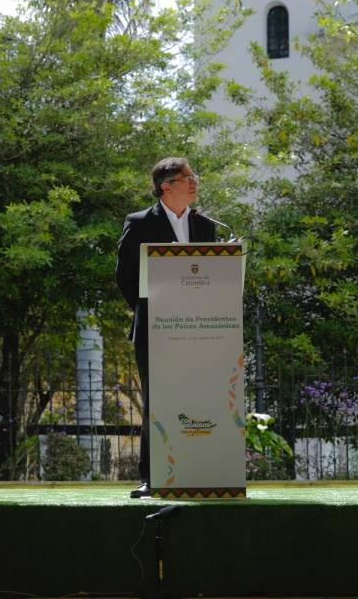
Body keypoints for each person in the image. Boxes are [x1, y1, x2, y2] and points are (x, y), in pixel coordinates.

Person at [115, 157, 217, 498]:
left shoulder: (205, 225)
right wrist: (150, 311)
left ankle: (197, 470)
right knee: (158, 401)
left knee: (196, 396)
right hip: (155, 329)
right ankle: (153, 476)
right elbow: (125, 276)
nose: (194, 182)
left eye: (194, 176)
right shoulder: (140, 222)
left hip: (199, 328)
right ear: (166, 186)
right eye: (187, 178)